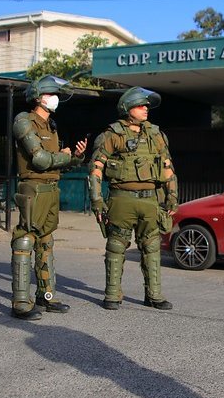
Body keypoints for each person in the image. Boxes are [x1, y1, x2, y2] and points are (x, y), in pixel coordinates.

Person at [88, 86, 178, 311]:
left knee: (152, 246)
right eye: (140, 105)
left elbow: (167, 168)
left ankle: (154, 295)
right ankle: (112, 295)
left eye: (146, 105)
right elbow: (96, 168)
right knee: (116, 246)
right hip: (121, 199)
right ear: (127, 108)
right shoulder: (112, 135)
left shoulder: (156, 135)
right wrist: (97, 200)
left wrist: (173, 197)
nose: (146, 109)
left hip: (150, 201)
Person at [10, 75, 87, 321]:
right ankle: (21, 302)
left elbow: (56, 163)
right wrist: (64, 156)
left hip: (52, 188)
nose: (55, 99)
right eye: (51, 94)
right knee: (25, 239)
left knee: (46, 241)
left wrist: (75, 157)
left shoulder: (50, 126)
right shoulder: (24, 121)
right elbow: (40, 160)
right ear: (38, 97)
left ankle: (46, 296)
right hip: (33, 187)